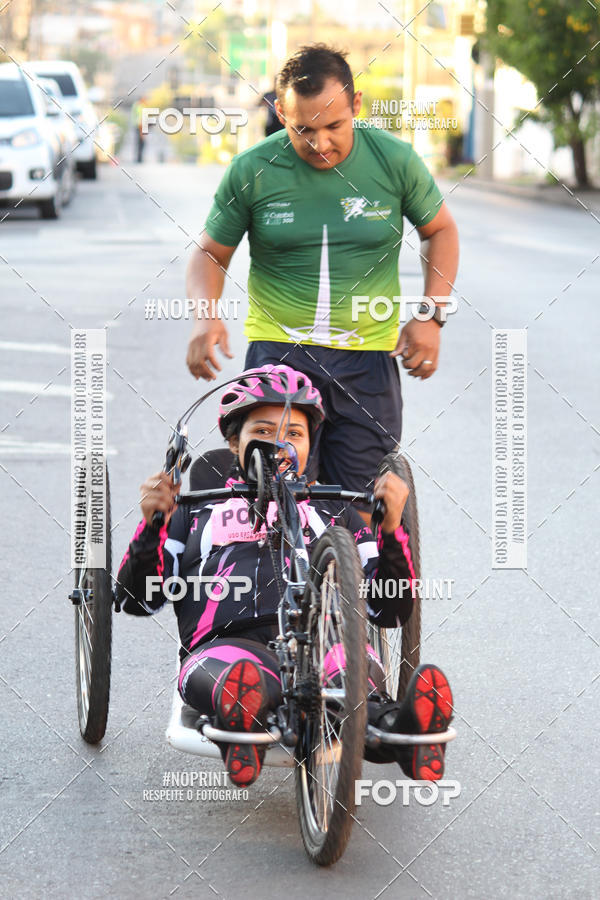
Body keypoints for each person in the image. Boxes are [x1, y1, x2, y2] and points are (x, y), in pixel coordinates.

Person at [116, 365, 453, 788]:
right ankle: (244, 710)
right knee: (241, 677)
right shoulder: (194, 510)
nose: (279, 443)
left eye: (294, 433)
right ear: (233, 442)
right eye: (263, 429)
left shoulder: (336, 511)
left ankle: (407, 731)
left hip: (327, 644)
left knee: (350, 685)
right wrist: (153, 524)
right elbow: (137, 599)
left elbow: (389, 609)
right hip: (227, 645)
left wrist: (392, 529)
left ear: (311, 444)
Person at [185, 44, 459, 523]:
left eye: (334, 126)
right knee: (277, 503)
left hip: (366, 360)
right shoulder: (253, 170)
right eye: (303, 130)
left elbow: (440, 231)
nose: (320, 143)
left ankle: (358, 589)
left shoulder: (394, 161)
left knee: (360, 511)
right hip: (279, 355)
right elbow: (210, 253)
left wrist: (431, 314)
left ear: (356, 106)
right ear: (280, 114)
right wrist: (205, 320)